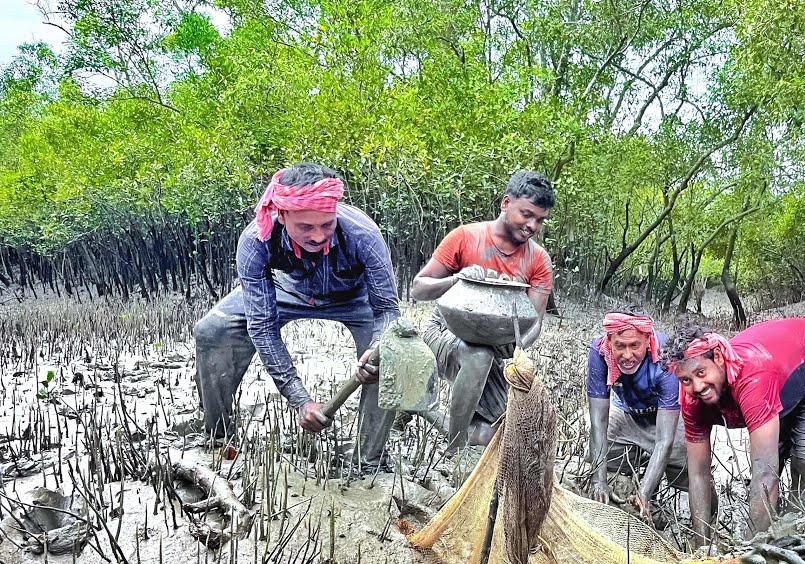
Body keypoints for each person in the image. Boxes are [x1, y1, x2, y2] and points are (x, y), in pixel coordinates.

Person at [193, 162, 399, 472]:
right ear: (282, 214)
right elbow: (261, 325)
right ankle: (219, 437)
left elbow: (387, 310)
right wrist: (300, 398)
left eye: (327, 225)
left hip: (355, 297)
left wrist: (380, 344)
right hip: (288, 289)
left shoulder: (363, 234)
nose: (318, 237)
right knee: (212, 329)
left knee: (389, 353)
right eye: (305, 227)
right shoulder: (256, 240)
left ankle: (368, 460)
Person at [663, 319, 805, 545]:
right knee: (776, 457)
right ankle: (774, 524)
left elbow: (765, 473)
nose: (698, 386)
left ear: (718, 358)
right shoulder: (691, 399)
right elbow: (698, 474)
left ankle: (796, 528)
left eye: (702, 372)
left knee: (804, 459)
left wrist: (753, 548)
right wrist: (702, 543)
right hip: (778, 377)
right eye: (686, 380)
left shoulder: (752, 379)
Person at [409, 171, 555, 454]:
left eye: (540, 220)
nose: (532, 225)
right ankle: (453, 449)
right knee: (478, 355)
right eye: (526, 214)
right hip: (445, 330)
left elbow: (533, 323)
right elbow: (418, 289)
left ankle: (426, 410)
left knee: (489, 437)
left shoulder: (538, 259)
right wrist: (458, 279)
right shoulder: (465, 237)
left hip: (500, 345)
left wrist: (518, 353)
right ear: (505, 203)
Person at [584, 309, 687, 521]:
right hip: (626, 413)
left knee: (691, 473)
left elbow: (664, 440)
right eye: (620, 346)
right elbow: (598, 423)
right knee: (593, 462)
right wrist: (599, 482)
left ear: (648, 342)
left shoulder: (666, 357)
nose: (627, 355)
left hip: (668, 416)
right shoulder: (599, 352)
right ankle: (624, 483)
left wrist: (643, 495)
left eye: (635, 346)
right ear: (609, 342)